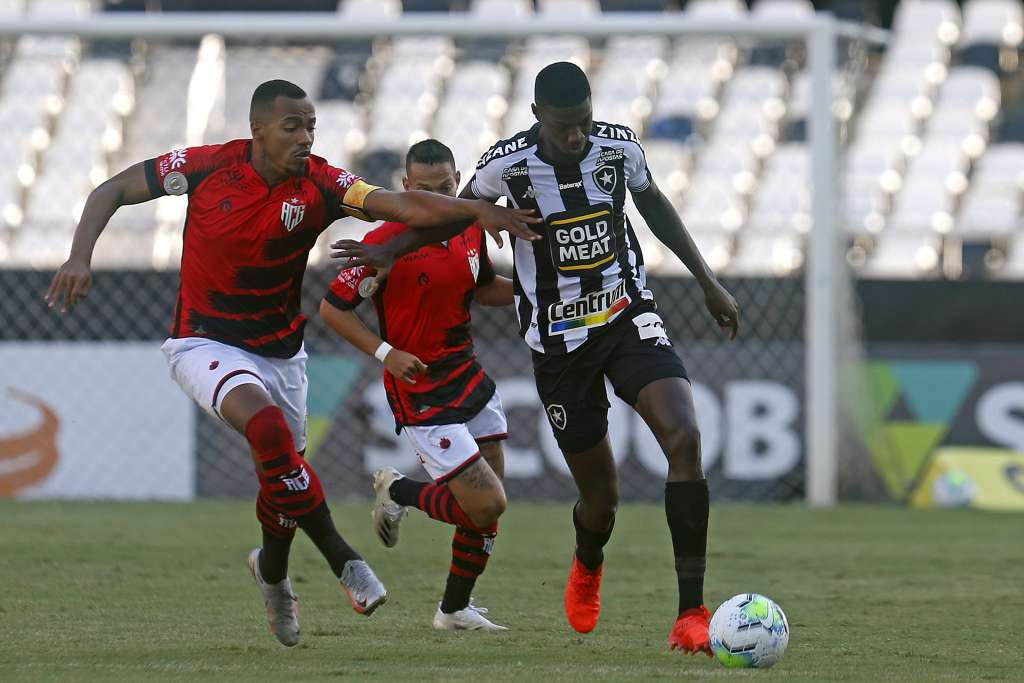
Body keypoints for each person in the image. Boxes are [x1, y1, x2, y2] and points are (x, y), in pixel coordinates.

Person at [44, 79, 540, 648]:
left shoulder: (323, 183)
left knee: (281, 484)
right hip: (204, 342)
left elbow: (397, 205)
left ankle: (273, 574)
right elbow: (114, 188)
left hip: (282, 353)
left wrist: (474, 210)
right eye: (292, 127)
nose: (305, 137)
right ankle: (344, 559)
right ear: (258, 130)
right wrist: (80, 255)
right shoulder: (207, 167)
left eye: (311, 127)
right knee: (267, 428)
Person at [331, 62, 740, 655]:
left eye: (583, 123)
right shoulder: (507, 164)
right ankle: (589, 560)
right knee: (601, 501)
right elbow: (452, 216)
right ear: (536, 117)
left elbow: (654, 206)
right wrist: (387, 251)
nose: (576, 136)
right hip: (559, 346)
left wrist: (707, 280)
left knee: (685, 438)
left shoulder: (618, 146)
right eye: (563, 127)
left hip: (628, 317)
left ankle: (691, 613)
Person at [320, 139, 513, 631]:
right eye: (423, 190)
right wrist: (387, 353)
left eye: (446, 188)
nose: (437, 198)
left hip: (468, 375)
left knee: (486, 511)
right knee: (487, 504)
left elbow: (483, 286)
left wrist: (535, 292)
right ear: (406, 189)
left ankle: (454, 612)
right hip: (421, 390)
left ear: (457, 182)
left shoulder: (466, 225)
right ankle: (398, 490)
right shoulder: (384, 243)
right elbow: (331, 310)